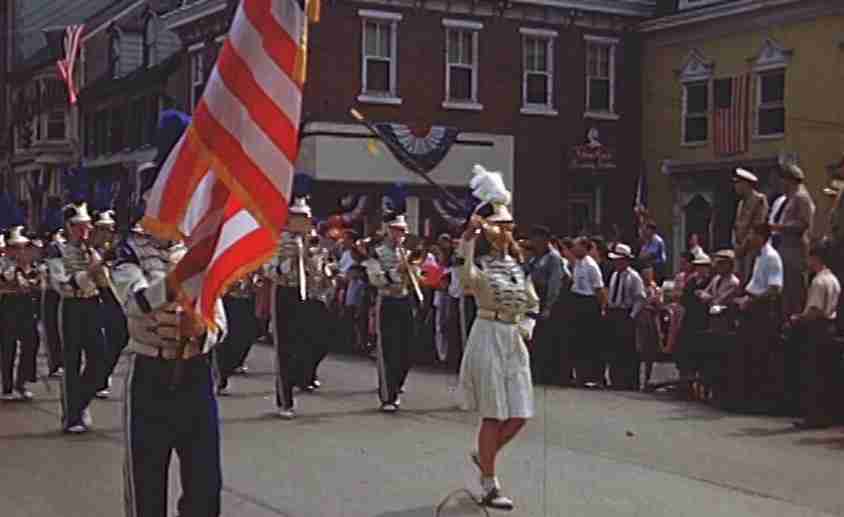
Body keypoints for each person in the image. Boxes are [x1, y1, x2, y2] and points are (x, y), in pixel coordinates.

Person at [112, 222, 227, 517]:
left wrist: (202, 331)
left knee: (205, 482)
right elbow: (137, 302)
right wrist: (177, 280)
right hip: (151, 373)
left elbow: (220, 322)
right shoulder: (128, 254)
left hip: (196, 373)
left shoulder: (199, 252)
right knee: (147, 483)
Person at [457, 190, 538, 511]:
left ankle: (484, 454)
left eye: (509, 226)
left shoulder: (518, 266)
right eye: (500, 226)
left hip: (513, 337)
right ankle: (490, 483)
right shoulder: (479, 262)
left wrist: (527, 325)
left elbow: (532, 302)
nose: (506, 232)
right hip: (488, 333)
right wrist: (467, 240)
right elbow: (465, 280)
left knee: (519, 413)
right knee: (494, 413)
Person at [45, 202, 109, 433]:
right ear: (69, 226)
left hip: (92, 304)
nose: (84, 231)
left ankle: (80, 402)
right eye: (78, 227)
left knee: (100, 359)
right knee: (71, 361)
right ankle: (72, 416)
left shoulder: (95, 249)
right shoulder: (57, 249)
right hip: (71, 306)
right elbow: (61, 284)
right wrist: (88, 273)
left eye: (86, 226)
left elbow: (106, 281)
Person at [265, 198, 318, 419]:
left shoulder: (311, 240)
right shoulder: (276, 241)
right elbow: (270, 270)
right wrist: (292, 262)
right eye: (298, 217)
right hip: (284, 292)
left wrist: (311, 257)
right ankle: (285, 400)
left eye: (305, 217)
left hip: (306, 293)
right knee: (285, 346)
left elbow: (317, 272)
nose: (302, 221)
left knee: (305, 342)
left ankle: (302, 377)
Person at [363, 214, 418, 412]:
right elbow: (375, 279)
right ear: (388, 230)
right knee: (388, 348)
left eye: (402, 230)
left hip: (404, 300)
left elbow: (415, 279)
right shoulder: (376, 253)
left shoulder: (408, 252)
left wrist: (414, 270)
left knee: (408, 349)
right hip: (386, 301)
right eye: (396, 230)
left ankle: (398, 381)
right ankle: (388, 396)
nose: (399, 234)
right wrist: (397, 271)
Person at [784, 240, 841, 428]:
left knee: (814, 374)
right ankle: (827, 415)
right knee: (827, 374)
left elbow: (814, 311)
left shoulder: (818, 281)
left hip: (817, 329)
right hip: (831, 327)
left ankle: (814, 417)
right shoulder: (833, 279)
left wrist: (797, 318)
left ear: (815, 258)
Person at [732, 223, 784, 412]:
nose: (749, 238)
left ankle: (759, 402)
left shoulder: (771, 258)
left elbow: (774, 289)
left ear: (761, 236)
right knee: (748, 354)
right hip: (751, 306)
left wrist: (751, 302)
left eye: (752, 234)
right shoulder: (758, 257)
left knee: (760, 354)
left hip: (762, 311)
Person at [0, 226, 41, 401]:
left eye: (22, 246)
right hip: (7, 307)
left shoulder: (30, 265)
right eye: (15, 247)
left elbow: (38, 284)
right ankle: (7, 387)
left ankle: (22, 381)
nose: (20, 250)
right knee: (8, 347)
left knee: (31, 343)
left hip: (26, 307)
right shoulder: (3, 265)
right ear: (7, 248)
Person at [771, 163, 815, 318]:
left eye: (783, 179)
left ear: (790, 179)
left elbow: (804, 223)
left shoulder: (801, 197)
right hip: (785, 248)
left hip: (795, 251)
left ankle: (797, 322)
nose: (781, 183)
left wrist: (779, 227)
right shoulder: (791, 198)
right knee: (787, 290)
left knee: (796, 289)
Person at [525, 225, 567, 385]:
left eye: (536, 239)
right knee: (536, 338)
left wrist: (549, 306)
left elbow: (554, 283)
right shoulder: (536, 257)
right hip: (534, 298)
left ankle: (549, 374)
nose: (533, 242)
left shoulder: (553, 258)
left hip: (547, 300)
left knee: (547, 339)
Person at [604, 244, 646, 390]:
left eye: (619, 260)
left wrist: (632, 316)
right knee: (615, 348)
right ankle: (616, 380)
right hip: (614, 312)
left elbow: (640, 298)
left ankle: (630, 381)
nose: (616, 263)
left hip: (626, 313)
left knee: (628, 349)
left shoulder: (633, 276)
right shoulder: (615, 274)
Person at [570, 237, 607, 386]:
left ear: (585, 248)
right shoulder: (578, 263)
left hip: (589, 302)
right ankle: (581, 375)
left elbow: (599, 289)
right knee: (579, 341)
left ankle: (595, 376)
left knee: (590, 341)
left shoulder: (591, 266)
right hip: (578, 300)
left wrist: (602, 308)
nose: (574, 249)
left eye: (577, 247)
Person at [733, 168, 769, 283]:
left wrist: (744, 245)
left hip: (752, 248)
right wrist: (736, 244)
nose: (735, 187)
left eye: (737, 183)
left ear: (746, 184)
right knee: (740, 280)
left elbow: (757, 226)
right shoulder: (741, 203)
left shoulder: (759, 200)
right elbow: (736, 225)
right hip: (740, 249)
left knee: (751, 279)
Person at [636, 264, 664, 389]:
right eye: (645, 274)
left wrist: (655, 302)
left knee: (650, 351)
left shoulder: (656, 289)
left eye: (650, 274)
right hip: (640, 321)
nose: (647, 277)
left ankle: (648, 378)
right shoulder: (639, 287)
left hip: (652, 321)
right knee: (639, 349)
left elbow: (660, 305)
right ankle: (638, 379)